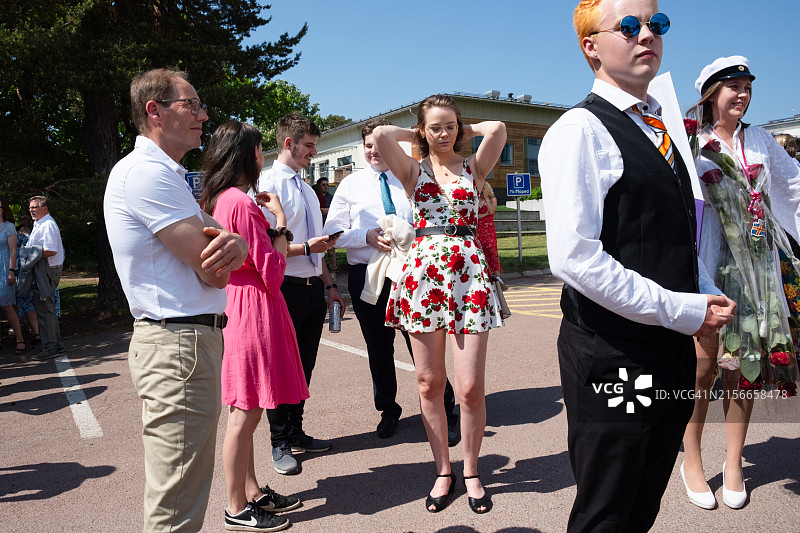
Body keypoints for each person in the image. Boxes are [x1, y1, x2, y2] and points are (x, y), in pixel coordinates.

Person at [539, 2, 736, 531]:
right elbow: (574, 257)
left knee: (642, 505)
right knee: (606, 512)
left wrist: (704, 290)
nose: (646, 34)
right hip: (615, 355)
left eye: (656, 23)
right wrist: (683, 309)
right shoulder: (579, 130)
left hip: (669, 348)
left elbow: (668, 232)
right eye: (629, 26)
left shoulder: (659, 126)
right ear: (591, 46)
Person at [104, 68, 248, 532]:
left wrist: (236, 243)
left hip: (183, 342)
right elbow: (215, 269)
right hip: (178, 344)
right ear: (155, 111)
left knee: (181, 493)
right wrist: (233, 245)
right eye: (192, 105)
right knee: (177, 507)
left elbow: (226, 248)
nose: (203, 116)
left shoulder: (164, 175)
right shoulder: (147, 174)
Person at [373, 95, 506, 514]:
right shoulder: (413, 170)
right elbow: (381, 134)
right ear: (423, 130)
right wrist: (418, 134)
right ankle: (443, 471)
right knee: (429, 383)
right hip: (424, 276)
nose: (444, 133)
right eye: (436, 127)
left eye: (451, 126)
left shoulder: (473, 168)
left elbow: (498, 128)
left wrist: (465, 130)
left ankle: (472, 471)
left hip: (469, 277)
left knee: (469, 387)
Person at [680, 56, 800, 512]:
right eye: (734, 86)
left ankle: (733, 463)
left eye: (748, 86)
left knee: (743, 367)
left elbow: (793, 188)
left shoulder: (762, 139)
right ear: (712, 93)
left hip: (758, 268)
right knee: (702, 368)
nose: (743, 94)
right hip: (708, 264)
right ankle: (692, 459)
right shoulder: (692, 142)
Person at [323, 119, 461, 443]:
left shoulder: (413, 176)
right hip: (367, 275)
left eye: (379, 144)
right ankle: (388, 409)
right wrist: (365, 236)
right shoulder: (351, 185)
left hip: (413, 273)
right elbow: (332, 233)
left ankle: (445, 409)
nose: (374, 151)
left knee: (424, 345)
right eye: (368, 146)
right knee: (378, 347)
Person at [202, 120, 307, 532]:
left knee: (246, 409)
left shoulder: (223, 199)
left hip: (241, 302)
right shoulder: (242, 204)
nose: (263, 155)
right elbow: (273, 272)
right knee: (245, 415)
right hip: (254, 307)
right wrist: (279, 220)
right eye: (260, 148)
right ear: (248, 155)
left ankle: (251, 491)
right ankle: (236, 506)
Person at [256, 112, 344, 476]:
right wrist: (308, 248)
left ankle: (296, 432)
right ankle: (279, 442)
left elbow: (316, 248)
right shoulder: (265, 185)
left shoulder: (307, 189)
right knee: (279, 369)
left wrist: (330, 284)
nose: (314, 152)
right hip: (282, 289)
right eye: (309, 146)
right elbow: (263, 247)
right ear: (289, 143)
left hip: (311, 290)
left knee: (303, 367)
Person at [27, 195, 66, 360]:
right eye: (30, 207)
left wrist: (29, 254)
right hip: (46, 269)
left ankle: (50, 347)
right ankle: (56, 345)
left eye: (34, 207)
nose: (31, 210)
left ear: (45, 208)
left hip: (47, 270)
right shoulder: (40, 223)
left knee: (44, 310)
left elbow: (50, 250)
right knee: (47, 308)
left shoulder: (47, 224)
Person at [15, 212, 47, 346]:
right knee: (28, 299)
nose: (23, 219)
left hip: (34, 267)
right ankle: (36, 331)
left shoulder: (38, 229)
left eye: (24, 217)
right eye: (21, 217)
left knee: (38, 298)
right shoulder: (16, 233)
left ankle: (39, 330)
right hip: (24, 268)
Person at [0, 197, 25, 355]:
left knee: (7, 306)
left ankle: (20, 339)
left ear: (3, 209)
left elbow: (13, 251)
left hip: (4, 269)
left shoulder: (9, 227)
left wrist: (11, 270)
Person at [476, 182, 504, 285]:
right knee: (481, 251)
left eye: (484, 189)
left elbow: (491, 212)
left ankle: (497, 276)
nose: (482, 191)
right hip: (479, 229)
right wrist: (485, 214)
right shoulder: (476, 200)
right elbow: (475, 217)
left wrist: (487, 198)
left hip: (489, 230)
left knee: (492, 252)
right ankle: (484, 274)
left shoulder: (493, 200)